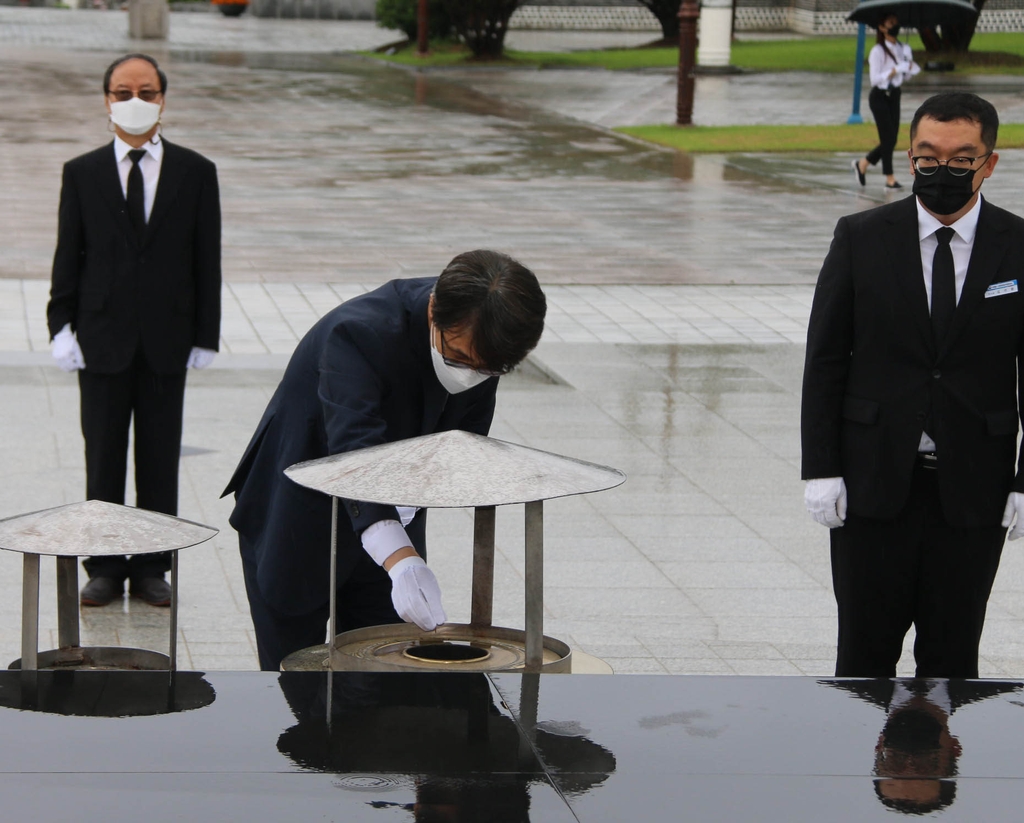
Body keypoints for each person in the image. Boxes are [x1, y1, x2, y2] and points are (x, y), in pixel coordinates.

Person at [223, 250, 546, 671]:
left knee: (385, 672)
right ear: (434, 312)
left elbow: (461, 442)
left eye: (487, 370)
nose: (470, 375)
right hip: (298, 513)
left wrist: (408, 538)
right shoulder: (359, 333)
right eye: (459, 360)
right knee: (295, 677)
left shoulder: (485, 342)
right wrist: (402, 560)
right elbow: (355, 452)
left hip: (395, 512)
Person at [802, 92, 1024, 679]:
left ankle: (938, 772)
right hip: (871, 486)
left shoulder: (1018, 245)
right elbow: (825, 359)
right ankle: (864, 772)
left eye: (960, 159)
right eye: (928, 157)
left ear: (989, 164)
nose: (941, 170)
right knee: (862, 658)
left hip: (974, 490)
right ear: (911, 155)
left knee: (952, 661)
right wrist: (820, 468)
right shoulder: (860, 237)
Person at [46, 53, 222, 607]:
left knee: (158, 457)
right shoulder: (82, 172)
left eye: (146, 91)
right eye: (123, 92)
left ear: (163, 99)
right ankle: (102, 564)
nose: (135, 102)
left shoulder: (196, 172)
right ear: (106, 100)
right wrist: (60, 324)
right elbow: (68, 254)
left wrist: (205, 333)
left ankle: (151, 566)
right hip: (100, 336)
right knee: (102, 456)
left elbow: (206, 259)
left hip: (167, 338)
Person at [852, 15, 920, 190]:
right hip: (880, 97)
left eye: (896, 23)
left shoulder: (902, 48)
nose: (895, 26)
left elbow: (907, 75)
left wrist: (908, 63)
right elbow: (875, 79)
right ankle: (889, 179)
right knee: (888, 138)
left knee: (892, 138)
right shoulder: (878, 51)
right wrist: (895, 69)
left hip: (894, 94)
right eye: (891, 23)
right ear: (882, 27)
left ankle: (863, 164)